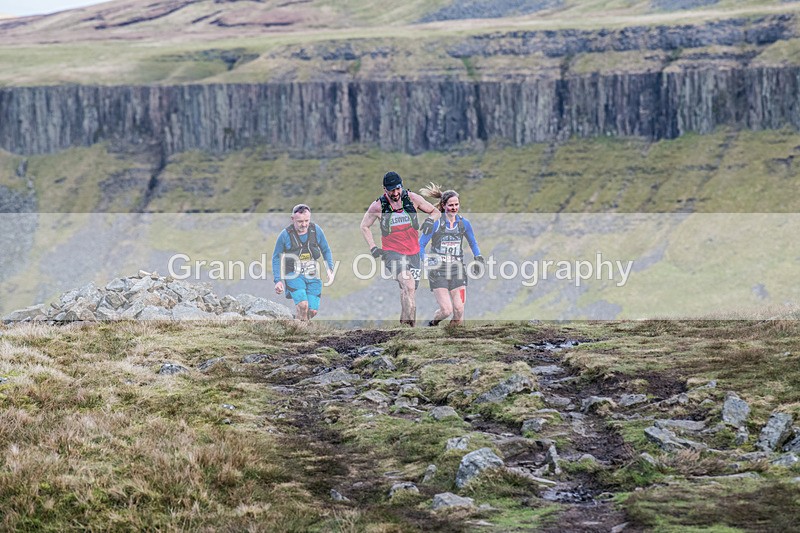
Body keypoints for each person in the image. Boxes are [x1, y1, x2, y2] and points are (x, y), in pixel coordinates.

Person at [360, 171, 440, 326]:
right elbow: (364, 226)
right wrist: (373, 247)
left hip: (414, 252)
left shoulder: (412, 198)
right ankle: (412, 328)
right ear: (385, 189)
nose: (395, 193)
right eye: (391, 190)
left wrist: (430, 221)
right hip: (392, 252)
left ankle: (403, 326)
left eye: (398, 189)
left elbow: (435, 212)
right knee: (408, 284)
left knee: (408, 290)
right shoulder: (378, 206)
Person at [418, 183, 484, 326]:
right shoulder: (435, 224)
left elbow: (473, 243)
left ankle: (452, 339)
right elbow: (420, 245)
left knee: (459, 310)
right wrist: (426, 262)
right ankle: (432, 324)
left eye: (456, 205)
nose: (454, 208)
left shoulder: (463, 224)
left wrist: (478, 257)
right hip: (438, 271)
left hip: (457, 270)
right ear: (443, 205)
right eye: (450, 205)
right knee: (446, 310)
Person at [272, 204, 335, 321]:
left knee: (312, 311)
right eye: (300, 221)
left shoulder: (316, 231)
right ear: (293, 219)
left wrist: (330, 269)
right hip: (293, 275)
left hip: (312, 274)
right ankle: (300, 334)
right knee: (303, 305)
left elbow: (326, 250)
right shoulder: (285, 235)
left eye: (307, 220)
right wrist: (278, 280)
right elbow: (276, 257)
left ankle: (297, 325)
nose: (304, 224)